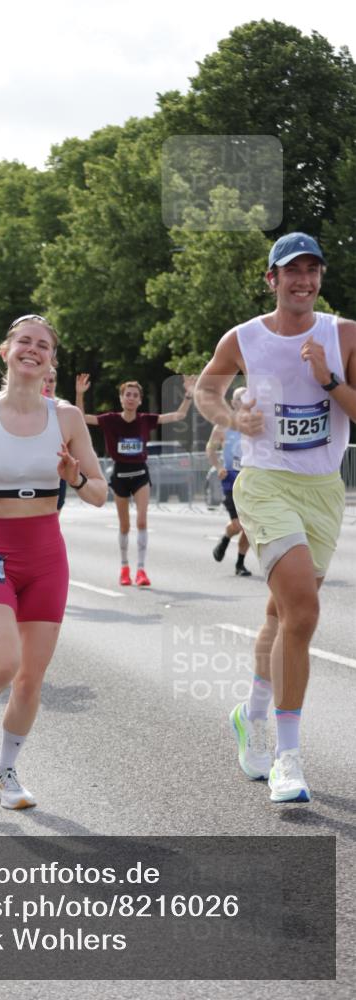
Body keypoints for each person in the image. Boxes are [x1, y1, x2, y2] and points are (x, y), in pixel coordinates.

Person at [195, 232, 355, 804]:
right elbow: (207, 392)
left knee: (281, 614)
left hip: (322, 490)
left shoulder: (342, 335)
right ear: (272, 279)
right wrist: (234, 421)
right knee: (304, 614)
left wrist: (329, 381)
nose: (303, 281)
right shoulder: (244, 338)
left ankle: (251, 714)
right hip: (263, 485)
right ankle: (288, 757)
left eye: (312, 271)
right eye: (292, 271)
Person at [0, 315, 107, 808]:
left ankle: (5, 773)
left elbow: (99, 492)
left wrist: (74, 477)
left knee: (31, 677)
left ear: (51, 358)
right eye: (24, 342)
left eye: (43, 345)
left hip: (47, 556)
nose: (33, 350)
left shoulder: (67, 417)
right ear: (5, 351)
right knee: (4, 662)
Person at [75, 372, 195, 586]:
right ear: (121, 399)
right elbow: (82, 418)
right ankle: (124, 567)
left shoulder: (145, 420)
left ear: (139, 400)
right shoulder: (110, 420)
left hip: (140, 473)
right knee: (124, 525)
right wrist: (79, 394)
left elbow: (178, 416)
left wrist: (188, 395)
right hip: (120, 475)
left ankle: (141, 570)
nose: (130, 398)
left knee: (141, 521)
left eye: (134, 395)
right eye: (127, 394)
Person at [206, 388, 251, 576]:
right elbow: (210, 448)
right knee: (238, 525)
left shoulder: (255, 424)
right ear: (233, 403)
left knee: (250, 525)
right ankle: (225, 539)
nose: (244, 401)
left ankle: (240, 564)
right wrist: (218, 467)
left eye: (247, 397)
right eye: (240, 398)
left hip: (250, 478)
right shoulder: (223, 425)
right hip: (231, 478)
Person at [42, 367, 68, 512]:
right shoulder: (28, 407)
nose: (48, 384)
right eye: (44, 380)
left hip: (57, 468)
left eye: (51, 381)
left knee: (54, 513)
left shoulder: (63, 407)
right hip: (35, 467)